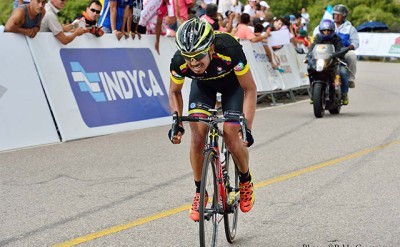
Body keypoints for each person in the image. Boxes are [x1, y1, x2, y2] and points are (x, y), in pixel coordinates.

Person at [168, 18, 256, 221]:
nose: (193, 63)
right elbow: (174, 92)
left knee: (232, 138)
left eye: (198, 56)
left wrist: (247, 127)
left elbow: (249, 89)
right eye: (188, 57)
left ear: (211, 48)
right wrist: (176, 122)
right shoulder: (179, 61)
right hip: (202, 89)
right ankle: (201, 192)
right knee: (197, 138)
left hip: (232, 87)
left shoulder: (230, 49)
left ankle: (245, 180)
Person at [308, 19, 349, 105]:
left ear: (332, 31)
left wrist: (338, 54)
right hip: (321, 61)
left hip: (335, 60)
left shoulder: (337, 38)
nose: (326, 32)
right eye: (324, 30)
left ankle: (344, 94)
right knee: (310, 70)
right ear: (321, 30)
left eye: (328, 30)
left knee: (343, 72)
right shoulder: (318, 37)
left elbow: (340, 49)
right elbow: (312, 48)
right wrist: (307, 55)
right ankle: (313, 93)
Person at [332, 4, 359, 88]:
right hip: (329, 51)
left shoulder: (350, 28)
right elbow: (316, 33)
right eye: (335, 14)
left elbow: (356, 42)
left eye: (338, 14)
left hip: (343, 51)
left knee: (352, 56)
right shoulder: (327, 24)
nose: (336, 16)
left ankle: (351, 79)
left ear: (344, 16)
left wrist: (350, 47)